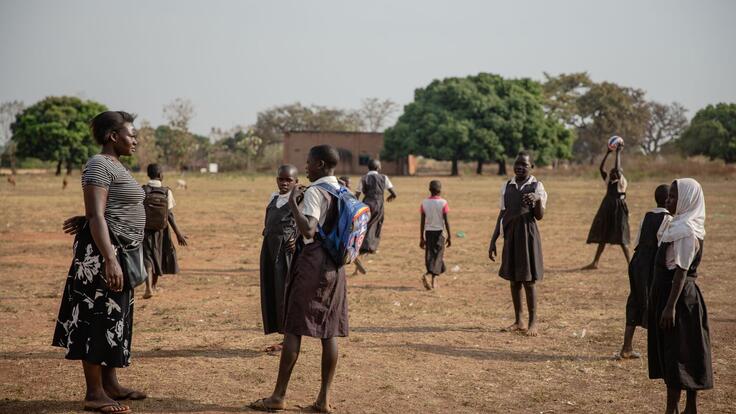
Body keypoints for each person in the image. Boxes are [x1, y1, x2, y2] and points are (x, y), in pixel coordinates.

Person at [54, 111, 146, 414]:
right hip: (103, 256)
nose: (135, 140)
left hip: (120, 251)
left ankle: (111, 384)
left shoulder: (116, 165)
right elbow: (95, 214)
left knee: (113, 319)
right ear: (112, 136)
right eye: (130, 134)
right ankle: (94, 393)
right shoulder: (98, 164)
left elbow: (104, 209)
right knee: (96, 318)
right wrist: (109, 259)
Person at [250, 145, 348, 413]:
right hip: (335, 267)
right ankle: (323, 400)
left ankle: (278, 396)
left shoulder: (315, 192)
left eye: (308, 163)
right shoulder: (341, 189)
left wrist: (294, 203)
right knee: (329, 332)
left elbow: (309, 228)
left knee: (293, 328)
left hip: (312, 265)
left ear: (318, 164)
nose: (305, 167)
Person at [648, 178, 712, 414]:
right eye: (669, 196)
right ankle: (689, 408)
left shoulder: (686, 230)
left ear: (687, 200)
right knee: (684, 350)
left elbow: (681, 272)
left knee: (677, 354)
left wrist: (669, 306)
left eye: (674, 196)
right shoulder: (677, 224)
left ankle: (673, 409)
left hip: (679, 300)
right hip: (673, 297)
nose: (668, 200)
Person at [489, 152, 547, 337]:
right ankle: (518, 320)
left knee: (529, 281)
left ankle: (533, 322)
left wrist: (536, 201)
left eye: (524, 165)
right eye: (517, 164)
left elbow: (539, 216)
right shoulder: (507, 186)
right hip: (511, 236)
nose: (520, 167)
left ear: (532, 167)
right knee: (514, 280)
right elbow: (502, 213)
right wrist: (493, 239)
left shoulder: (537, 187)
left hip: (527, 236)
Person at [619, 184, 671, 359]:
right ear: (668, 200)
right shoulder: (668, 219)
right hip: (652, 264)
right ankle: (661, 351)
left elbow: (638, 241)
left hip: (637, 261)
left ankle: (627, 347)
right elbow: (663, 246)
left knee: (635, 298)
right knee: (655, 301)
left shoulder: (647, 216)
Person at [260, 165, 298, 353]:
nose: (284, 183)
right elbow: (268, 220)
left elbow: (309, 222)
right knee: (273, 290)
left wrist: (296, 237)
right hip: (269, 249)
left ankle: (288, 339)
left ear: (296, 182)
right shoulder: (273, 197)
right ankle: (282, 332)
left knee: (286, 292)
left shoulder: (299, 198)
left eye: (288, 180)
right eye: (281, 179)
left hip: (286, 252)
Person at [141, 163, 188, 299]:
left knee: (147, 257)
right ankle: (154, 287)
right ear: (161, 175)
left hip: (145, 229)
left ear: (148, 175)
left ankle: (148, 287)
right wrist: (178, 234)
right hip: (162, 230)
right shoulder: (167, 191)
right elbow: (170, 215)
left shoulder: (143, 190)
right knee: (158, 256)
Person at [583, 144, 631, 269]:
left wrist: (618, 153)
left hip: (618, 209)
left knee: (621, 237)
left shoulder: (622, 182)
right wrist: (608, 153)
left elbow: (617, 168)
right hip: (607, 207)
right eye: (612, 172)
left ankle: (631, 264)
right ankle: (595, 263)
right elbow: (601, 168)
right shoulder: (609, 180)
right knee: (604, 234)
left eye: (616, 171)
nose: (613, 172)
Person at [354, 160, 397, 272]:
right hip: (378, 205)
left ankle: (364, 249)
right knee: (376, 225)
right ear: (378, 168)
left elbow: (357, 194)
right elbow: (393, 193)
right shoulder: (384, 177)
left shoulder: (363, 178)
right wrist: (390, 197)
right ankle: (366, 250)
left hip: (366, 204)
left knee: (365, 226)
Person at [419, 180, 451, 290]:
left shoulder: (424, 203)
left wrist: (421, 237)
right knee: (438, 256)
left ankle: (433, 279)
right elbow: (446, 221)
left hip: (428, 232)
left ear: (429, 190)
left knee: (430, 255)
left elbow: (422, 221)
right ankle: (430, 276)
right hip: (440, 233)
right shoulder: (443, 203)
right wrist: (450, 236)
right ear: (440, 190)